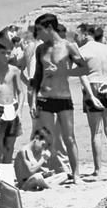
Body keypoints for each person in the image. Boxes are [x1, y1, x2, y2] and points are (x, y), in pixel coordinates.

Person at [29, 13, 89, 184]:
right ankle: (51, 171)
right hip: (45, 97)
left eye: (40, 30)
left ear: (49, 28)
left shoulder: (68, 46)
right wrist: (32, 101)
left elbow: (84, 69)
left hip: (63, 97)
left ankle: (76, 174)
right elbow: (37, 76)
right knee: (47, 138)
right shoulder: (41, 49)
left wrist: (63, 72)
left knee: (69, 138)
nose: (38, 35)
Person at [78, 25, 107, 180]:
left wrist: (91, 95)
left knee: (96, 133)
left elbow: (82, 75)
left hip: (93, 86)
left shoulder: (83, 50)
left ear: (85, 35)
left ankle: (98, 170)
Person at [0, 39, 23, 164]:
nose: (6, 56)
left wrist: (19, 110)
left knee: (9, 146)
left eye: (8, 53)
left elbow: (20, 91)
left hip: (12, 108)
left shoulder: (14, 70)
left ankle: (7, 173)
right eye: (2, 53)